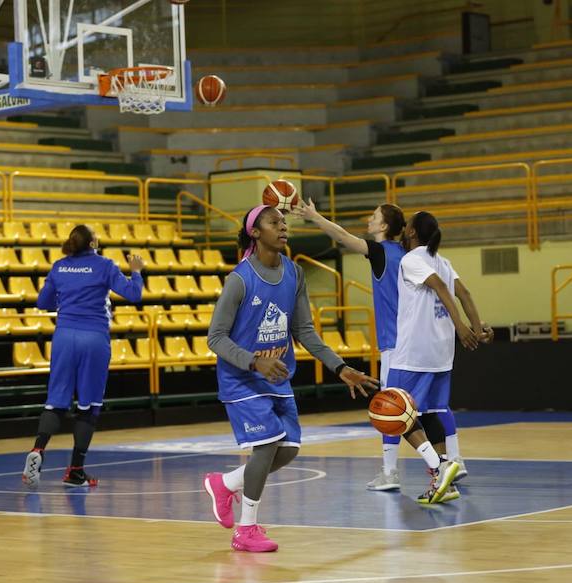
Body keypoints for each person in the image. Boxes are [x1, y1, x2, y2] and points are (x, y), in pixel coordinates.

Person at [203, 205, 379, 552]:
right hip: (242, 378)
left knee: (287, 451)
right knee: (267, 446)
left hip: (278, 376)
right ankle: (246, 529)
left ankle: (225, 484)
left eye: (284, 223)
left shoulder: (294, 274)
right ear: (255, 232)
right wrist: (253, 362)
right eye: (274, 223)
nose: (283, 228)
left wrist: (339, 367)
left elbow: (304, 330)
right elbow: (216, 337)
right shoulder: (240, 279)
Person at [292, 199, 412, 492]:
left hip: (394, 344)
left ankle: (391, 472)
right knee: (425, 408)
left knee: (390, 408)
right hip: (415, 340)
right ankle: (449, 461)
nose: (368, 219)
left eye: (373, 216)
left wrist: (314, 216)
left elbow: (343, 237)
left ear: (384, 226)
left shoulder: (381, 251)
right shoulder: (409, 255)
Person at [22, 224, 145, 487]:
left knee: (56, 400)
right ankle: (75, 469)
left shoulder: (59, 266)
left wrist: (66, 302)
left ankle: (38, 450)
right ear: (91, 243)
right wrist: (136, 272)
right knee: (88, 404)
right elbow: (134, 295)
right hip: (93, 338)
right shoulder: (105, 265)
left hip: (64, 336)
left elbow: (43, 303)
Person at [390, 211, 492, 503]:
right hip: (441, 353)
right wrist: (477, 326)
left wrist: (462, 326)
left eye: (408, 224)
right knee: (429, 413)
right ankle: (444, 483)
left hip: (415, 352)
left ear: (411, 232)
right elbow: (465, 293)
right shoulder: (444, 261)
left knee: (397, 413)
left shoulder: (412, 260)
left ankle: (440, 466)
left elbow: (440, 286)